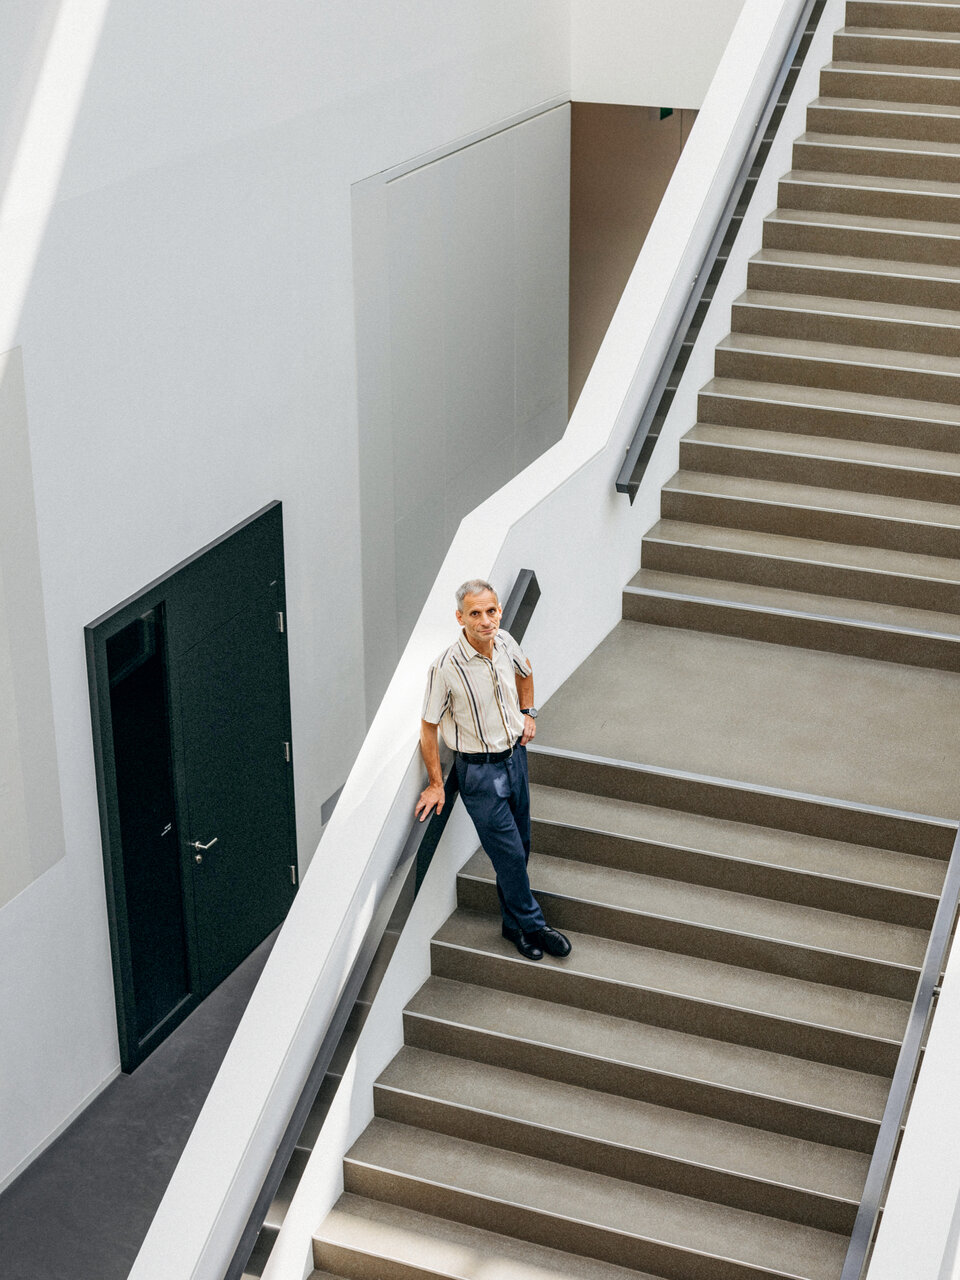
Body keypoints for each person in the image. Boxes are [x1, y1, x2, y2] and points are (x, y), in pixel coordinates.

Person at [415, 578, 572, 962]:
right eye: (475, 613)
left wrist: (527, 712)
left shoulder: (505, 642)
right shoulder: (445, 667)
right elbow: (428, 727)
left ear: (499, 610)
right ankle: (535, 925)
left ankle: (511, 926)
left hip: (515, 759)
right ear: (460, 618)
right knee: (510, 856)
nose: (486, 620)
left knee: (522, 846)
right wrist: (436, 783)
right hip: (479, 774)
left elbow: (525, 671)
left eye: (491, 611)